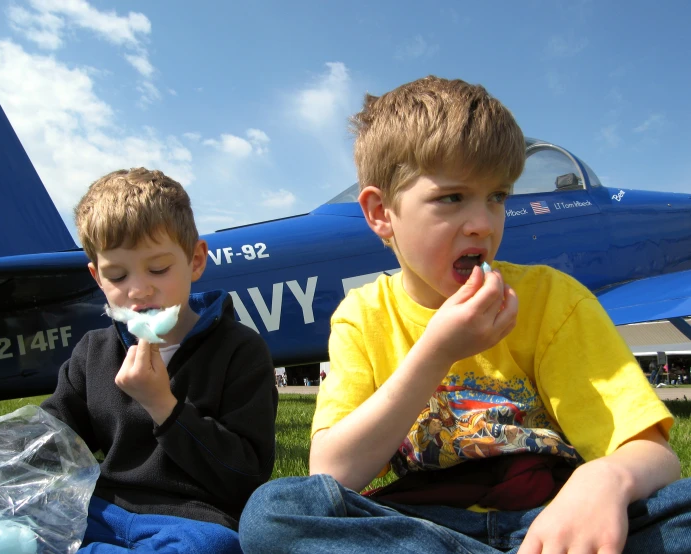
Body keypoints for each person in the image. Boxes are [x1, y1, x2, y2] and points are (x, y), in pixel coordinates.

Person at [239, 77, 691, 553]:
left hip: (552, 520)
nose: (483, 224)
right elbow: (332, 473)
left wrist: (607, 479)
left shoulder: (553, 297)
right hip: (421, 526)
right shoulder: (362, 315)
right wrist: (436, 350)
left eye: (497, 196)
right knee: (274, 512)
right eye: (452, 198)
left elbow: (655, 457)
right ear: (381, 213)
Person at [0, 168, 278, 553]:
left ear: (195, 260)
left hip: (190, 519)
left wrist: (164, 406)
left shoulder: (241, 350)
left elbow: (245, 476)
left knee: (213, 547)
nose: (139, 289)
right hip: (100, 508)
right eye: (118, 275)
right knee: (4, 512)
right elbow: (51, 432)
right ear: (97, 277)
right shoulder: (95, 352)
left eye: (158, 269)